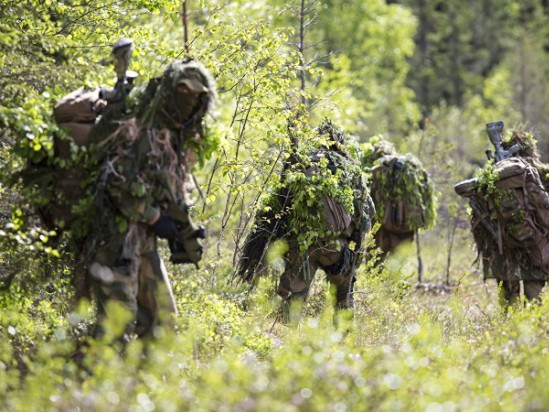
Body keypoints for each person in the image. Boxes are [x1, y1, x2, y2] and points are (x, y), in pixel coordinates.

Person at [86, 60, 215, 339]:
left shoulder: (171, 134)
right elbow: (117, 183)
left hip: (142, 239)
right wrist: (155, 217)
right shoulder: (141, 129)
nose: (190, 100)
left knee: (162, 319)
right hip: (115, 237)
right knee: (115, 326)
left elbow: (164, 183)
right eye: (184, 92)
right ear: (171, 91)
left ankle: (144, 381)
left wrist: (180, 225)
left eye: (196, 96)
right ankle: (91, 380)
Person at [235, 121, 374, 322]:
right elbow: (369, 211)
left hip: (301, 247)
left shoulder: (301, 164)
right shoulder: (349, 167)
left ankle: (286, 344)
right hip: (337, 249)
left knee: (294, 302)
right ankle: (344, 344)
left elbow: (280, 209)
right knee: (343, 297)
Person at [455, 126, 549, 308]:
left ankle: (506, 331)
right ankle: (536, 331)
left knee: (509, 301)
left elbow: (478, 219)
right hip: (538, 245)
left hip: (504, 248)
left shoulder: (493, 177)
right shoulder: (543, 173)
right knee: (534, 299)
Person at [361, 140, 436, 261]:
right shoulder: (411, 168)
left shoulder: (378, 171)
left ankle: (378, 279)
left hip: (384, 223)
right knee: (399, 261)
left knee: (376, 260)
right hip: (407, 224)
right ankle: (395, 279)